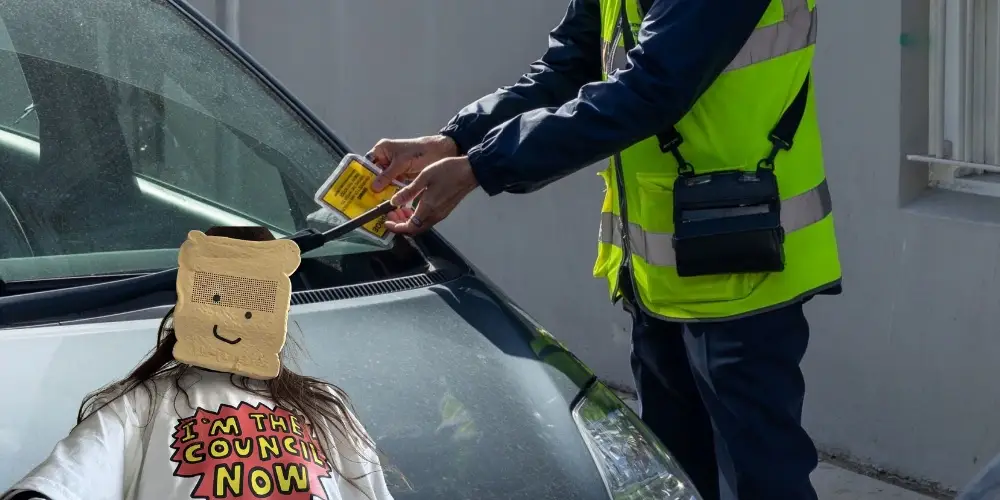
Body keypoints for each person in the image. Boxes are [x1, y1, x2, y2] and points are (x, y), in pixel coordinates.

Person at [365, 0, 841, 499]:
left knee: (759, 479)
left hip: (745, 262)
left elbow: (653, 86)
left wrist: (482, 167)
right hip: (660, 274)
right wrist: (457, 141)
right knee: (675, 479)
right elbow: (569, 66)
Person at [3, 227, 394, 500]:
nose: (229, 321)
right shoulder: (138, 405)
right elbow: (66, 479)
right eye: (216, 300)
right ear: (187, 301)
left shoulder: (324, 406)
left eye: (251, 306)